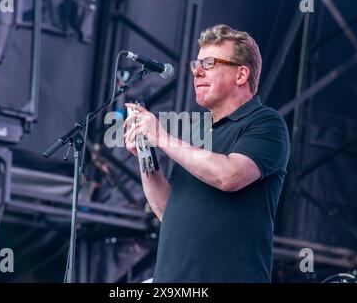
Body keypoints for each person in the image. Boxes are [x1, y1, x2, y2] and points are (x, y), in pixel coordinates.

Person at [124, 24, 290, 283]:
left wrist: (161, 137)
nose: (197, 72)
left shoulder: (266, 123)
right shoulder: (196, 132)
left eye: (209, 63)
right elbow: (170, 212)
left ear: (241, 74)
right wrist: (147, 160)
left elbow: (230, 175)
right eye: (195, 65)